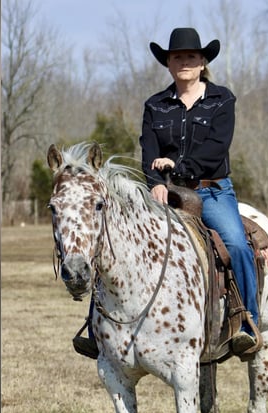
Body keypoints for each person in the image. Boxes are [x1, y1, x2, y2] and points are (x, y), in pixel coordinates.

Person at [73, 27, 258, 359]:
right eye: (177, 57)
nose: (184, 62)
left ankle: (247, 322)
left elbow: (216, 150)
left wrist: (177, 165)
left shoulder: (221, 100)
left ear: (202, 62)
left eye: (190, 56)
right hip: (162, 192)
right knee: (115, 240)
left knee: (237, 245)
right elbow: (148, 150)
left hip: (211, 192)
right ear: (168, 64)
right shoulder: (155, 105)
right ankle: (95, 326)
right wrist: (155, 182)